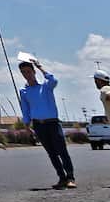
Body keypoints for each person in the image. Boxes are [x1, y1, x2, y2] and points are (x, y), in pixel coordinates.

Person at [18, 58, 75, 189]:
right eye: (23, 72)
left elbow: (54, 80)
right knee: (51, 153)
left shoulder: (45, 86)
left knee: (62, 151)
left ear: (33, 72)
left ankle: (70, 177)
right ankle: (62, 178)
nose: (27, 74)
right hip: (38, 125)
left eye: (28, 71)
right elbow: (25, 110)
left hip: (52, 123)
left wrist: (40, 67)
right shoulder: (24, 91)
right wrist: (27, 126)